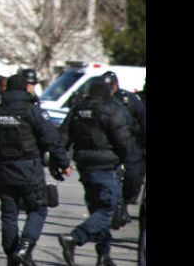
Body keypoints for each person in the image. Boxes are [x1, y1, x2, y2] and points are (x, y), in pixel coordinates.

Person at [0, 73, 72, 266]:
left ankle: (13, 257)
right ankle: (25, 248)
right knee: (38, 210)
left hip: (4, 170)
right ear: (23, 89)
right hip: (29, 169)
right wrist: (64, 163)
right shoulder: (32, 111)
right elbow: (52, 139)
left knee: (8, 215)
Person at [58, 77, 130, 266]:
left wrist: (61, 161)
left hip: (85, 166)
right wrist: (129, 159)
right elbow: (123, 140)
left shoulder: (77, 110)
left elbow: (64, 136)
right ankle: (74, 238)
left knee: (97, 210)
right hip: (105, 166)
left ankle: (103, 254)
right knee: (108, 209)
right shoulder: (110, 109)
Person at [102, 71, 146, 226]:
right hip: (106, 147)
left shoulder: (130, 99)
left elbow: (142, 120)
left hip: (129, 144)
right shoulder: (98, 100)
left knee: (133, 177)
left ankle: (124, 204)